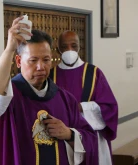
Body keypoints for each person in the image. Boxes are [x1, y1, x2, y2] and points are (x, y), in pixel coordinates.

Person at [0, 17, 98, 165]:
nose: (41, 67)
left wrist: (69, 134)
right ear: (18, 61)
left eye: (46, 60)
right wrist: (9, 48)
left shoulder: (65, 99)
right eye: (33, 60)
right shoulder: (8, 97)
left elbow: (91, 139)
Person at [50, 30, 118, 165]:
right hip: (61, 138)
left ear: (79, 47)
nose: (70, 50)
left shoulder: (94, 73)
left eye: (73, 45)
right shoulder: (51, 75)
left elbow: (110, 107)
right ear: (58, 50)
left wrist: (82, 107)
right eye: (64, 46)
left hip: (92, 137)